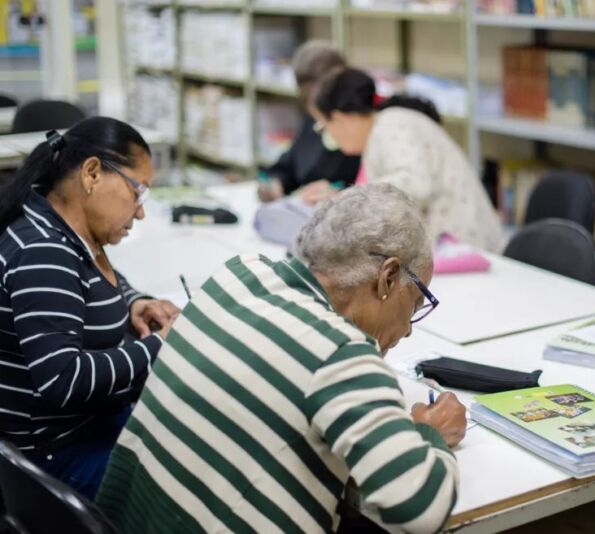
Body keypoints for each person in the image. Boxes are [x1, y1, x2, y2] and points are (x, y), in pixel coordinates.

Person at [97, 183, 467, 533]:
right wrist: (429, 434)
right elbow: (420, 509)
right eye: (417, 301)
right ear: (387, 277)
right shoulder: (340, 353)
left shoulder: (238, 277)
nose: (408, 331)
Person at [0, 117, 179, 498]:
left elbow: (94, 275)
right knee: (192, 486)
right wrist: (159, 346)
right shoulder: (43, 252)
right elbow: (62, 380)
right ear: (93, 173)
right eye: (138, 193)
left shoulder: (61, 226)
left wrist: (135, 302)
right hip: (59, 456)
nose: (141, 212)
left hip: (84, 429)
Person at [311, 67, 505, 253]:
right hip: (452, 248)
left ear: (338, 118)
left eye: (323, 126)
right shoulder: (379, 131)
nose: (328, 135)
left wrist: (348, 198)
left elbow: (415, 183)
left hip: (467, 248)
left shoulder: (392, 124)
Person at [257, 40, 361, 205]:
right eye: (307, 92)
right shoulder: (312, 119)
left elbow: (378, 192)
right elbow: (289, 165)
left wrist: (341, 196)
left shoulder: (359, 125)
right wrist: (275, 183)